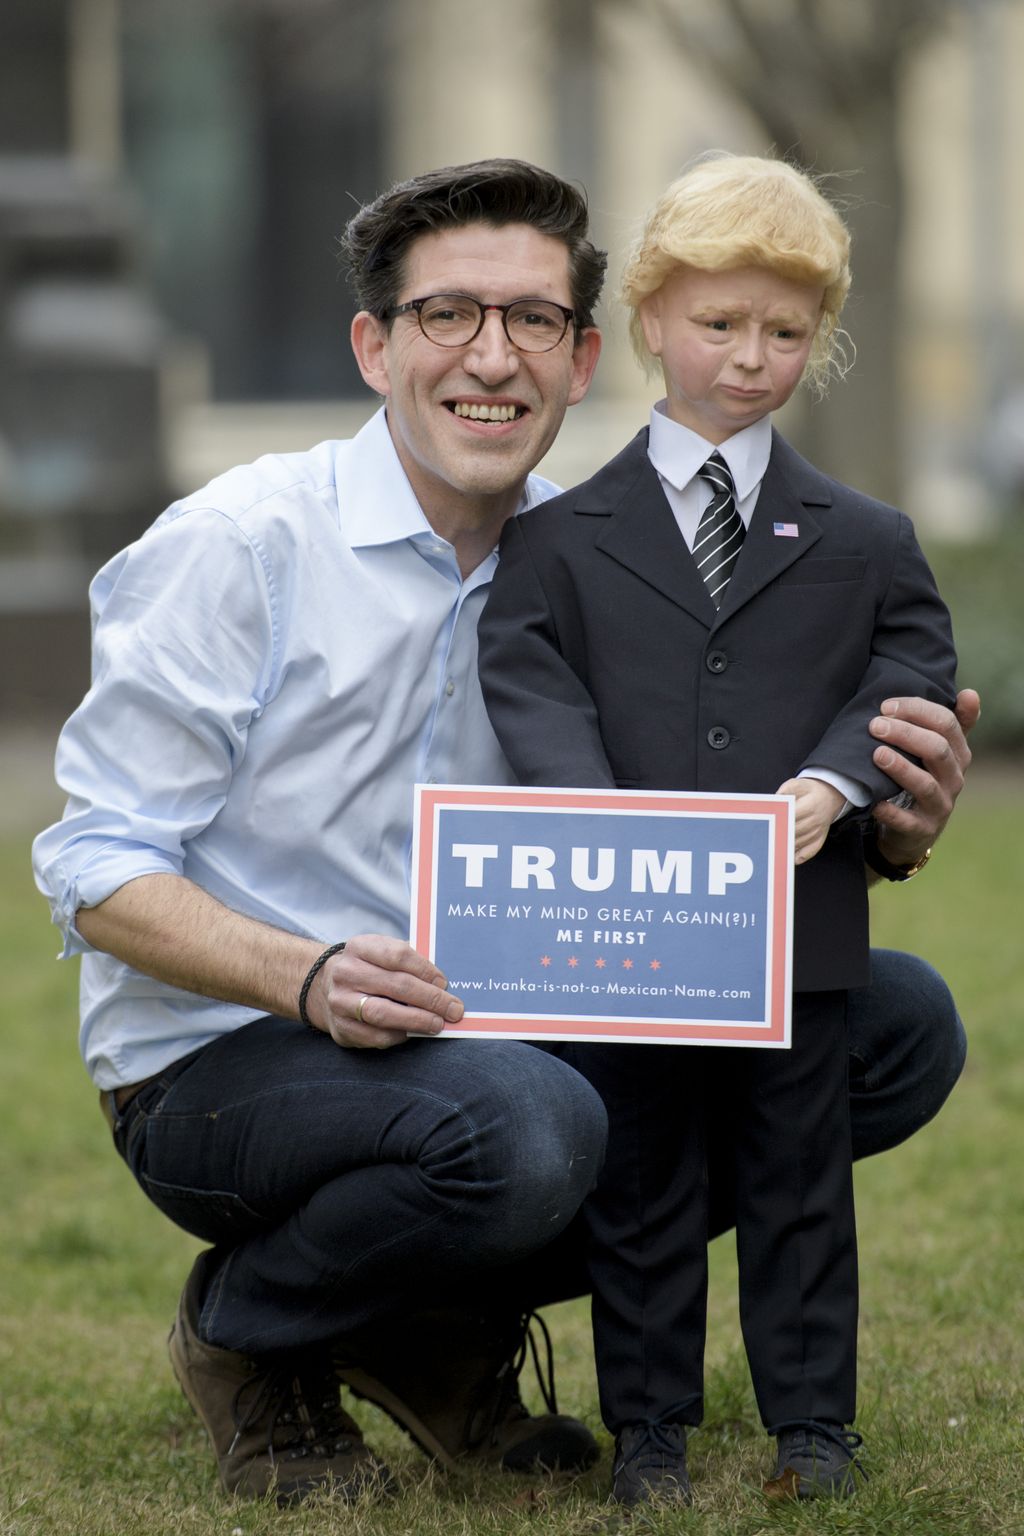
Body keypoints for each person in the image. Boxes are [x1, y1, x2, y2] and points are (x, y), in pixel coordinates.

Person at [31, 156, 973, 1509]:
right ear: (374, 344)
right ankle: (249, 1324)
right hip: (226, 1055)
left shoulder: (592, 554)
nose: (494, 356)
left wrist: (889, 820)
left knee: (888, 1025)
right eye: (448, 316)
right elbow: (94, 866)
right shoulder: (242, 544)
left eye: (532, 319)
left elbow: (715, 813)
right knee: (530, 1131)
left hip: (489, 1021)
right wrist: (305, 973)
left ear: (587, 355)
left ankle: (417, 1321)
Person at [477, 154, 960, 1506]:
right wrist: (598, 816)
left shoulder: (867, 538)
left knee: (803, 1185)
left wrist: (832, 783)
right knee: (642, 1192)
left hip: (802, 940)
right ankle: (649, 1440)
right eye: (720, 324)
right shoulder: (558, 542)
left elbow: (910, 670)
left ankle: (816, 1430)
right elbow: (527, 676)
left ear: (821, 337)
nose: (751, 358)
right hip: (634, 943)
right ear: (646, 321)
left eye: (787, 332)